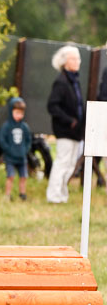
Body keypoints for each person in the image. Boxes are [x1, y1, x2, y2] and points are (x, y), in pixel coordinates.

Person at [46, 45, 84, 204]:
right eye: (74, 59)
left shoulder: (74, 80)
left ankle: (62, 195)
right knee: (62, 162)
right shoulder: (61, 81)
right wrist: (70, 121)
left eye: (78, 58)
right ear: (65, 62)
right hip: (65, 130)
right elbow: (52, 106)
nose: (78, 61)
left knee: (69, 165)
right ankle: (53, 196)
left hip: (75, 132)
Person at [0, 97, 32, 201]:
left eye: (21, 113)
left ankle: (22, 194)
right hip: (10, 157)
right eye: (17, 113)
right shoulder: (7, 126)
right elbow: (2, 140)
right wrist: (9, 150)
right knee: (10, 176)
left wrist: (25, 150)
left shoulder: (24, 127)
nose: (19, 116)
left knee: (23, 177)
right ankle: (7, 195)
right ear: (11, 111)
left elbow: (28, 140)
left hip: (21, 157)